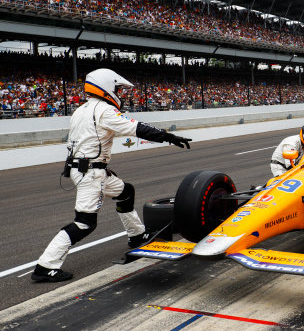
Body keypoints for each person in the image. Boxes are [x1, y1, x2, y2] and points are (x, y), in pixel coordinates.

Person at [32, 69, 192, 282]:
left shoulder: (81, 110)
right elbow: (137, 128)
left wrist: (99, 166)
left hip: (86, 168)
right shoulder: (104, 110)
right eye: (117, 89)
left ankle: (136, 236)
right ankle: (45, 266)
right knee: (84, 223)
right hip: (91, 173)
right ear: (106, 87)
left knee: (125, 192)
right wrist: (168, 137)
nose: (120, 93)